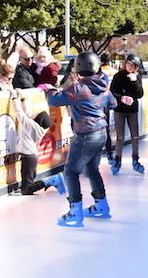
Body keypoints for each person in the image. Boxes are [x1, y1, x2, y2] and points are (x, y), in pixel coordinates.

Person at [46, 52, 117, 227]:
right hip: (101, 132)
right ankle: (101, 206)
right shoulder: (103, 85)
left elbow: (54, 100)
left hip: (86, 134)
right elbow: (113, 103)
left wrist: (49, 89)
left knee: (71, 171)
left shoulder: (78, 88)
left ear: (78, 68)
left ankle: (75, 211)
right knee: (92, 170)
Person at [9, 89, 65, 195]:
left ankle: (51, 180)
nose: (33, 115)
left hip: (28, 158)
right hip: (30, 157)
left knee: (27, 189)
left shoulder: (31, 126)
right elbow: (28, 112)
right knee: (26, 186)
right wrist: (23, 98)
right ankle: (48, 181)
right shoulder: (37, 126)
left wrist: (15, 98)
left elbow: (20, 113)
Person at [110, 54, 145, 175]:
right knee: (120, 137)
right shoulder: (118, 76)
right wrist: (121, 98)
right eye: (128, 64)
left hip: (132, 111)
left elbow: (140, 94)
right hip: (119, 110)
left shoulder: (137, 77)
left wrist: (135, 81)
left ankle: (135, 160)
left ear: (136, 67)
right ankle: (117, 161)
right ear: (125, 64)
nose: (130, 67)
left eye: (133, 65)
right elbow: (112, 92)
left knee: (135, 136)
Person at [99, 54, 118, 157]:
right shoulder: (114, 71)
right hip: (107, 102)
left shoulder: (100, 73)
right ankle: (109, 151)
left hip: (100, 102)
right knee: (106, 129)